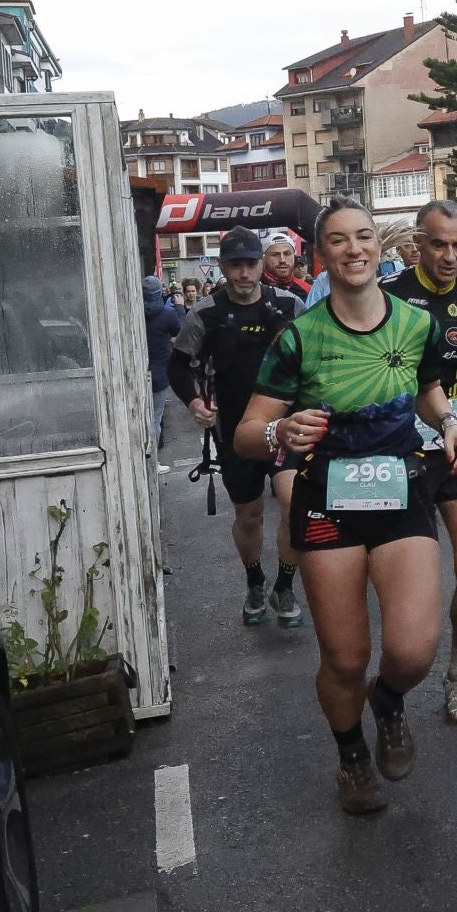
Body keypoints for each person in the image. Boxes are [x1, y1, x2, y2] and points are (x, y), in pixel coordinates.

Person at [233, 199, 457, 815]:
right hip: (327, 500)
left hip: (400, 490)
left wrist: (450, 423)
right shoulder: (299, 337)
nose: (354, 249)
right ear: (322, 254)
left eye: (364, 236)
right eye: (339, 240)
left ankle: (389, 699)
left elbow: (427, 389)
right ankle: (351, 756)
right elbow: (246, 433)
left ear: (380, 245)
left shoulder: (415, 324)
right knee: (345, 659)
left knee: (413, 649)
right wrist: (279, 431)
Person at [380, 201, 457, 723]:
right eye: (438, 244)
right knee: (408, 582)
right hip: (395, 445)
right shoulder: (385, 295)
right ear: (418, 243)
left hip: (456, 444)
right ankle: (395, 680)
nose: (450, 256)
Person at [168, 227, 307, 627]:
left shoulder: (289, 305)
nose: (244, 273)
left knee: (295, 505)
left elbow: (315, 357)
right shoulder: (205, 313)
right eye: (235, 265)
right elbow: (178, 365)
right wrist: (195, 403)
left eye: (250, 264)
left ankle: (285, 585)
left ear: (261, 265)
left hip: (286, 426)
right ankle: (254, 581)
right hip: (234, 430)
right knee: (249, 515)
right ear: (222, 267)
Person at [143, 274, 182, 447]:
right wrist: (179, 308)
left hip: (135, 373)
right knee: (155, 417)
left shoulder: (133, 312)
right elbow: (180, 331)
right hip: (159, 372)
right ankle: (153, 457)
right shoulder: (167, 313)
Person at [263, 233, 312, 299]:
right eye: (275, 255)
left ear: (294, 256)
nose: (282, 260)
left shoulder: (307, 289)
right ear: (264, 259)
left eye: (287, 254)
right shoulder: (253, 288)